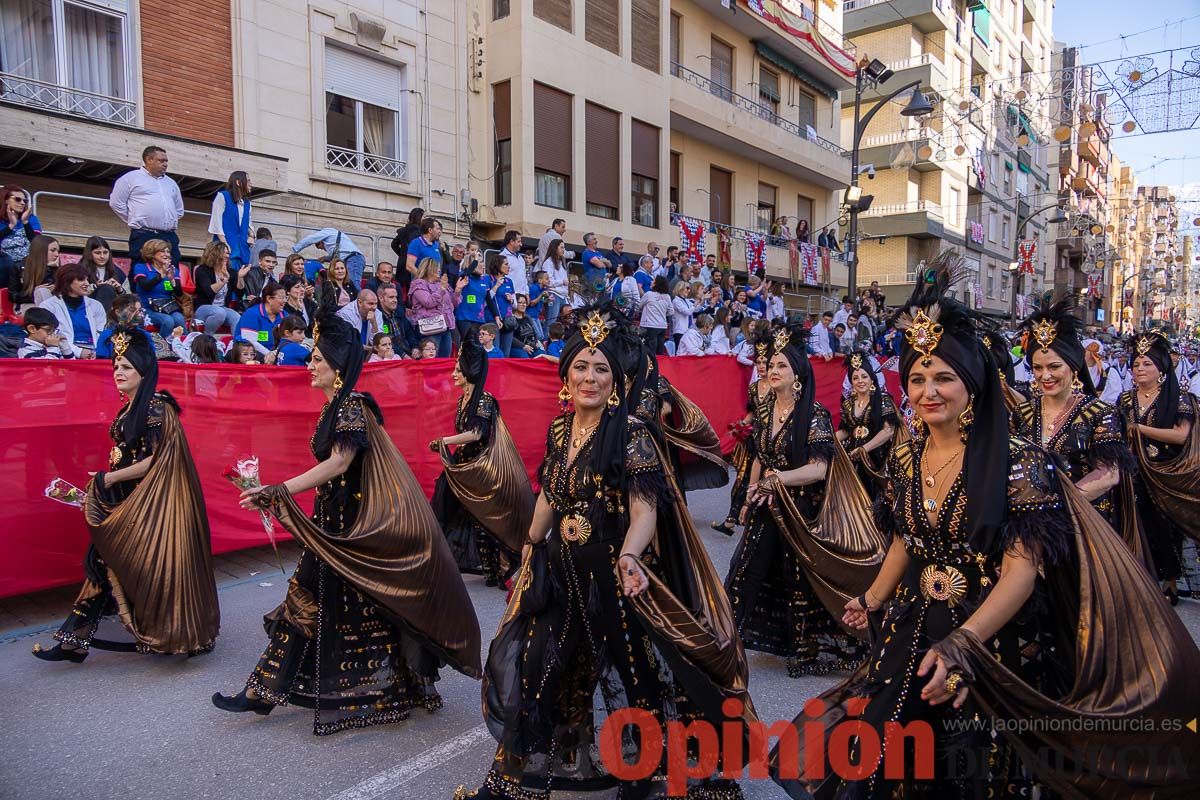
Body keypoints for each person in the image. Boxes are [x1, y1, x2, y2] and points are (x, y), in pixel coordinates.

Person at [774, 255, 1200, 799]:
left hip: (990, 635)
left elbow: (1022, 571)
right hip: (913, 623)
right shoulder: (908, 457)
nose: (929, 390)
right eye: (917, 378)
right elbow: (908, 537)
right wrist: (874, 597)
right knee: (884, 751)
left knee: (969, 764)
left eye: (944, 377)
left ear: (971, 384)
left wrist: (964, 643)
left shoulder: (1018, 461)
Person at [455, 304, 750, 800]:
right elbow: (551, 493)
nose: (589, 378)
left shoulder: (632, 434)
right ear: (566, 375)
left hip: (614, 573)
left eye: (601, 368)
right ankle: (510, 782)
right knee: (537, 663)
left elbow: (645, 512)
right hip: (562, 571)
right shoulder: (558, 430)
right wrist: (529, 545)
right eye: (580, 366)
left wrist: (631, 557)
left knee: (637, 676)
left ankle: (649, 774)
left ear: (615, 379)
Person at [213, 299, 482, 733]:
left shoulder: (351, 406)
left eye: (316, 359)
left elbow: (339, 463)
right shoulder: (333, 407)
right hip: (334, 524)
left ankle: (384, 687)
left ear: (336, 365)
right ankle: (262, 691)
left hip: (355, 529)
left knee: (361, 606)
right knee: (312, 599)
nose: (309, 365)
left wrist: (280, 488)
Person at [32, 324, 219, 663]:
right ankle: (74, 640)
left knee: (131, 565)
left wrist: (108, 477)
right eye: (116, 366)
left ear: (143, 372)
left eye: (127, 367)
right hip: (125, 500)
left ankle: (169, 634)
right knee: (103, 562)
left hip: (150, 505)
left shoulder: (157, 409)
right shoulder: (131, 408)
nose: (118, 372)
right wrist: (106, 482)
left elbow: (158, 460)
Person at [726, 324, 873, 676]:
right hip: (767, 505)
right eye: (771, 365)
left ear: (796, 377)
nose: (772, 371)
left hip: (801, 511)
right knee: (745, 569)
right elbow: (761, 455)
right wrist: (751, 491)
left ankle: (805, 651)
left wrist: (777, 481)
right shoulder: (763, 411)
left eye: (781, 367)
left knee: (798, 580)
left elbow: (819, 469)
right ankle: (725, 641)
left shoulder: (814, 414)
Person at [1012, 301, 1135, 547]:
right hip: (1030, 532)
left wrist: (1054, 508)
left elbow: (1108, 475)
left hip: (1083, 527)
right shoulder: (1022, 413)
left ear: (1073, 366)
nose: (1045, 376)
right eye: (1037, 367)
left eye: (1054, 366)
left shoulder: (1100, 413)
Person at [430, 332, 530, 587]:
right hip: (466, 467)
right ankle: (445, 563)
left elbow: (477, 433)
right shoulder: (462, 400)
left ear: (469, 372)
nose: (453, 374)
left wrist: (445, 441)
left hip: (483, 470)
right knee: (454, 510)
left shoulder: (484, 400)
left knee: (485, 521)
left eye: (457, 370)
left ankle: (501, 569)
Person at [1119, 331, 1199, 605]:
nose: (1140, 369)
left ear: (1161, 368)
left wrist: (1138, 429)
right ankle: (1139, 579)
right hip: (1131, 474)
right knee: (1133, 525)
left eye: (1147, 364)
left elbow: (1181, 435)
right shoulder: (1125, 400)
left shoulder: (1180, 398)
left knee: (1164, 529)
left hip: (1166, 475)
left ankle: (1170, 582)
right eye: (1136, 364)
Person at [713, 337, 773, 534]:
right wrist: (741, 424)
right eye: (759, 362)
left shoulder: (778, 385)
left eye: (765, 362)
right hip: (754, 440)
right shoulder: (754, 387)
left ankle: (757, 523)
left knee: (765, 483)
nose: (762, 366)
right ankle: (731, 520)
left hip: (772, 442)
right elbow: (752, 412)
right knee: (741, 481)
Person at [108, 146, 184, 269]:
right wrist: (135, 218)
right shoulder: (130, 178)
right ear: (149, 159)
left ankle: (168, 288)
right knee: (142, 265)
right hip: (144, 234)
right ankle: (139, 288)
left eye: (166, 161)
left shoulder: (171, 183)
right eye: (161, 160)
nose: (165, 164)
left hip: (168, 235)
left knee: (171, 266)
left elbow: (179, 210)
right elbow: (116, 203)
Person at [837, 352, 900, 489]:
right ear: (851, 382)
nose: (860, 381)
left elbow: (888, 431)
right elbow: (846, 431)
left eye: (864, 376)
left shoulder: (883, 399)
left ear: (872, 379)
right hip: (853, 458)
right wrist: (829, 439)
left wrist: (864, 449)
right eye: (855, 378)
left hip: (878, 458)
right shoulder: (848, 404)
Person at [39, 264, 106, 359]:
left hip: (94, 354)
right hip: (62, 354)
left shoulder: (96, 305)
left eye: (87, 279)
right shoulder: (48, 306)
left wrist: (95, 352)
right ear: (67, 282)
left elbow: (101, 333)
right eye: (81, 280)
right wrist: (79, 352)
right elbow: (51, 336)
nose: (87, 283)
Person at [131, 239, 185, 332]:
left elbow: (179, 293)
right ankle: (162, 345)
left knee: (179, 319)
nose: (166, 254)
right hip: (147, 308)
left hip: (167, 307)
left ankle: (182, 344)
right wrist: (162, 275)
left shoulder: (172, 269)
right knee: (167, 321)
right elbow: (145, 286)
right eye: (162, 251)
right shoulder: (141, 267)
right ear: (152, 253)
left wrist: (172, 279)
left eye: (168, 251)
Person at [409, 257, 457, 357]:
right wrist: (442, 289)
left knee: (444, 359)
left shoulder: (443, 284)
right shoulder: (418, 284)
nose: (439, 270)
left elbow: (453, 303)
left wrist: (458, 290)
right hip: (430, 328)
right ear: (429, 269)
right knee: (431, 359)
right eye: (437, 268)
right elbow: (428, 302)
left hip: (445, 326)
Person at [193, 241, 241, 335]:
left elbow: (240, 293)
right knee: (220, 312)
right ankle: (207, 338)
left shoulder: (231, 271)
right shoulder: (202, 270)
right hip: (203, 308)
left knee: (237, 318)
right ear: (214, 253)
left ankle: (237, 346)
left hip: (222, 308)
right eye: (224, 253)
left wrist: (241, 277)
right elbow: (209, 292)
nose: (227, 256)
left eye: (228, 253)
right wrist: (223, 280)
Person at [208, 171, 253, 271]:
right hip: (226, 249)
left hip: (243, 250)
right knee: (226, 277)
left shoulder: (247, 204)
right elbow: (216, 224)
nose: (251, 184)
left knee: (241, 282)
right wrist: (225, 243)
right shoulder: (222, 196)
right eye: (248, 180)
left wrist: (251, 236)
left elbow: (249, 225)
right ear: (238, 182)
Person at [292, 227, 366, 287]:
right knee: (348, 287)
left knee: (353, 286)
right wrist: (325, 258)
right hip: (352, 259)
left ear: (321, 241)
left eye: (322, 247)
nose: (324, 249)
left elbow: (310, 239)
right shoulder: (335, 239)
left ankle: (359, 304)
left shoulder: (327, 232)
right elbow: (339, 254)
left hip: (353, 259)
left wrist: (295, 249)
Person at [0, 185, 42, 290]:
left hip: (26, 264)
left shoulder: (31, 219)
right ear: (5, 200)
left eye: (25, 200)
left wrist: (25, 222)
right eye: (18, 199)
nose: (22, 203)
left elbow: (37, 243)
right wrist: (10, 226)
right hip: (4, 265)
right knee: (6, 262)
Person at [236, 282, 287, 358]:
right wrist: (270, 354)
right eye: (282, 298)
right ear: (269, 298)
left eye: (286, 298)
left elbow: (290, 339)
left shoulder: (284, 315)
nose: (285, 301)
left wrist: (274, 354)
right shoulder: (252, 314)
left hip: (274, 354)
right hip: (248, 353)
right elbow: (250, 341)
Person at [77, 236, 126, 311]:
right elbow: (74, 292)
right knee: (106, 288)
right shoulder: (79, 270)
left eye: (105, 252)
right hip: (86, 309)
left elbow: (129, 298)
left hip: (113, 310)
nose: (102, 256)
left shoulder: (117, 271)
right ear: (89, 254)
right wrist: (95, 287)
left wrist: (120, 289)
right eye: (97, 253)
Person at [487, 254, 517, 357]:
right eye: (506, 264)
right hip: (492, 319)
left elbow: (515, 305)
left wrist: (512, 300)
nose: (509, 267)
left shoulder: (509, 281)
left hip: (507, 320)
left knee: (506, 352)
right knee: (495, 351)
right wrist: (496, 286)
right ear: (498, 265)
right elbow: (486, 299)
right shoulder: (488, 279)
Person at [637, 275, 673, 355]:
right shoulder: (667, 297)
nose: (651, 281)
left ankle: (650, 367)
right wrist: (662, 313)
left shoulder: (649, 294)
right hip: (662, 327)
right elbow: (671, 312)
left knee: (650, 352)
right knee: (659, 352)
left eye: (653, 281)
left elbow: (639, 306)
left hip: (649, 326)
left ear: (657, 284)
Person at [390, 206, 424, 290]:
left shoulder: (404, 230)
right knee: (413, 288)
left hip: (402, 262)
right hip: (413, 264)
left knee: (399, 289)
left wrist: (402, 254)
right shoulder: (418, 231)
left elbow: (394, 244)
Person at [539, 238, 570, 328]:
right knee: (551, 321)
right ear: (555, 248)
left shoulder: (562, 262)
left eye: (564, 248)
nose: (563, 250)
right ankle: (546, 341)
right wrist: (562, 282)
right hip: (553, 294)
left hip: (563, 295)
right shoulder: (548, 262)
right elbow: (548, 281)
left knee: (564, 321)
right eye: (561, 247)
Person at [580, 232, 610, 296]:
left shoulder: (598, 253)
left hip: (603, 283)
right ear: (588, 242)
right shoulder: (587, 253)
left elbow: (609, 264)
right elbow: (600, 265)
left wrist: (601, 261)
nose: (596, 241)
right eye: (594, 239)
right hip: (593, 284)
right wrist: (603, 262)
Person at [669, 281, 694, 349]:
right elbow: (687, 312)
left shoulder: (686, 300)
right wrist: (696, 304)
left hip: (688, 330)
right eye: (687, 288)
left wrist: (702, 300)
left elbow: (696, 309)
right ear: (681, 288)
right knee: (680, 351)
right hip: (680, 331)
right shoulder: (676, 301)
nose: (689, 290)